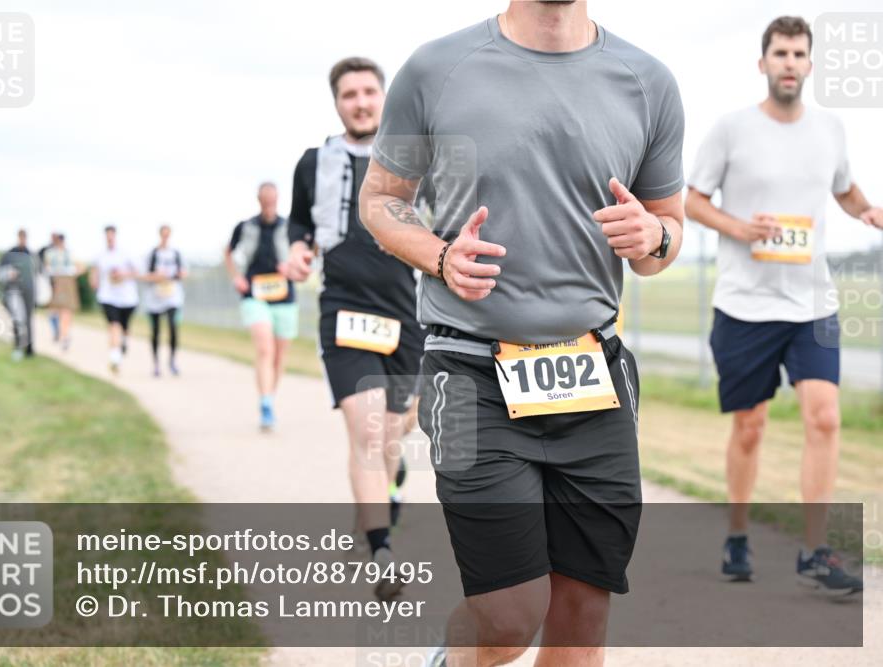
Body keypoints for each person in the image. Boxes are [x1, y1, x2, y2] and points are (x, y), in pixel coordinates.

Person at [360, 1, 685, 664]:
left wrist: (656, 235)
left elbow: (664, 234)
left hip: (593, 374)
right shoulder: (436, 68)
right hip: (470, 369)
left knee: (581, 613)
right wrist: (440, 254)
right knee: (508, 617)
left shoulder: (648, 81)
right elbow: (381, 200)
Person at [685, 16, 878, 594]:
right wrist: (739, 228)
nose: (790, 62)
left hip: (811, 304)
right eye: (780, 53)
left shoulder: (831, 129)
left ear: (811, 65)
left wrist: (867, 210)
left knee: (825, 416)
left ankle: (816, 551)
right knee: (751, 425)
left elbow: (842, 187)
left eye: (799, 53)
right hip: (745, 304)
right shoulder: (730, 130)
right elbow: (693, 200)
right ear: (762, 63)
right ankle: (738, 534)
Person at [284, 56, 426, 598]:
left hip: (408, 316)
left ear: (384, 97)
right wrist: (299, 252)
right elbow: (301, 223)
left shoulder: (418, 159)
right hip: (343, 312)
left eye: (369, 91)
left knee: (391, 434)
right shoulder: (312, 162)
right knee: (367, 432)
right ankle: (382, 547)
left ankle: (378, 506)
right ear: (337, 102)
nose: (361, 102)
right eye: (349, 94)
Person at [225, 183, 297, 429]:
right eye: (265, 200)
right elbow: (228, 252)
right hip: (254, 294)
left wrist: (291, 267)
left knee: (278, 356)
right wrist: (236, 276)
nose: (269, 205)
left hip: (284, 296)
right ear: (258, 200)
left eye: (273, 200)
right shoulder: (245, 227)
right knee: (264, 348)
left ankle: (269, 398)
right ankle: (265, 403)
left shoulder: (289, 227)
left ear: (278, 200)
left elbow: (305, 255)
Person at [89, 225, 140, 374]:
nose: (110, 238)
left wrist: (123, 274)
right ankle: (115, 359)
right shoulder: (100, 255)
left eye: (112, 235)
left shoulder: (126, 254)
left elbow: (137, 271)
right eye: (107, 236)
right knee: (114, 325)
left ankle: (123, 342)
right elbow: (95, 271)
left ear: (115, 236)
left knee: (124, 327)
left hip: (127, 298)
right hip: (108, 297)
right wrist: (94, 281)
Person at [144, 224, 187, 377]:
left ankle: (172, 361)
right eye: (163, 234)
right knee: (155, 331)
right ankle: (156, 363)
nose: (165, 237)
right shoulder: (153, 254)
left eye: (167, 234)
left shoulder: (176, 253)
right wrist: (157, 276)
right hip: (155, 296)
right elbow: (146, 275)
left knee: (173, 328)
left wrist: (179, 275)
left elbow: (183, 273)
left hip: (172, 296)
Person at [0, 229, 38, 360]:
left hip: (29, 290)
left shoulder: (32, 254)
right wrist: (8, 274)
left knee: (28, 319)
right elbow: (0, 272)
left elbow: (38, 273)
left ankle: (30, 348)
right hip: (14, 290)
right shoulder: (9, 255)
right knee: (18, 319)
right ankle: (18, 346)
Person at [43, 233, 82, 351]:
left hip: (66, 283)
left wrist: (72, 273)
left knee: (65, 312)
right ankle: (59, 331)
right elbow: (47, 268)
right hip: (56, 283)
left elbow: (79, 267)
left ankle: (64, 336)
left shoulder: (68, 253)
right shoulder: (50, 253)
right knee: (55, 311)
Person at [38, 233, 61, 342]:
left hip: (60, 283)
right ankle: (56, 330)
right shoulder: (44, 250)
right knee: (52, 309)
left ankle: (59, 330)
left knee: (59, 309)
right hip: (49, 283)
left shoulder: (61, 250)